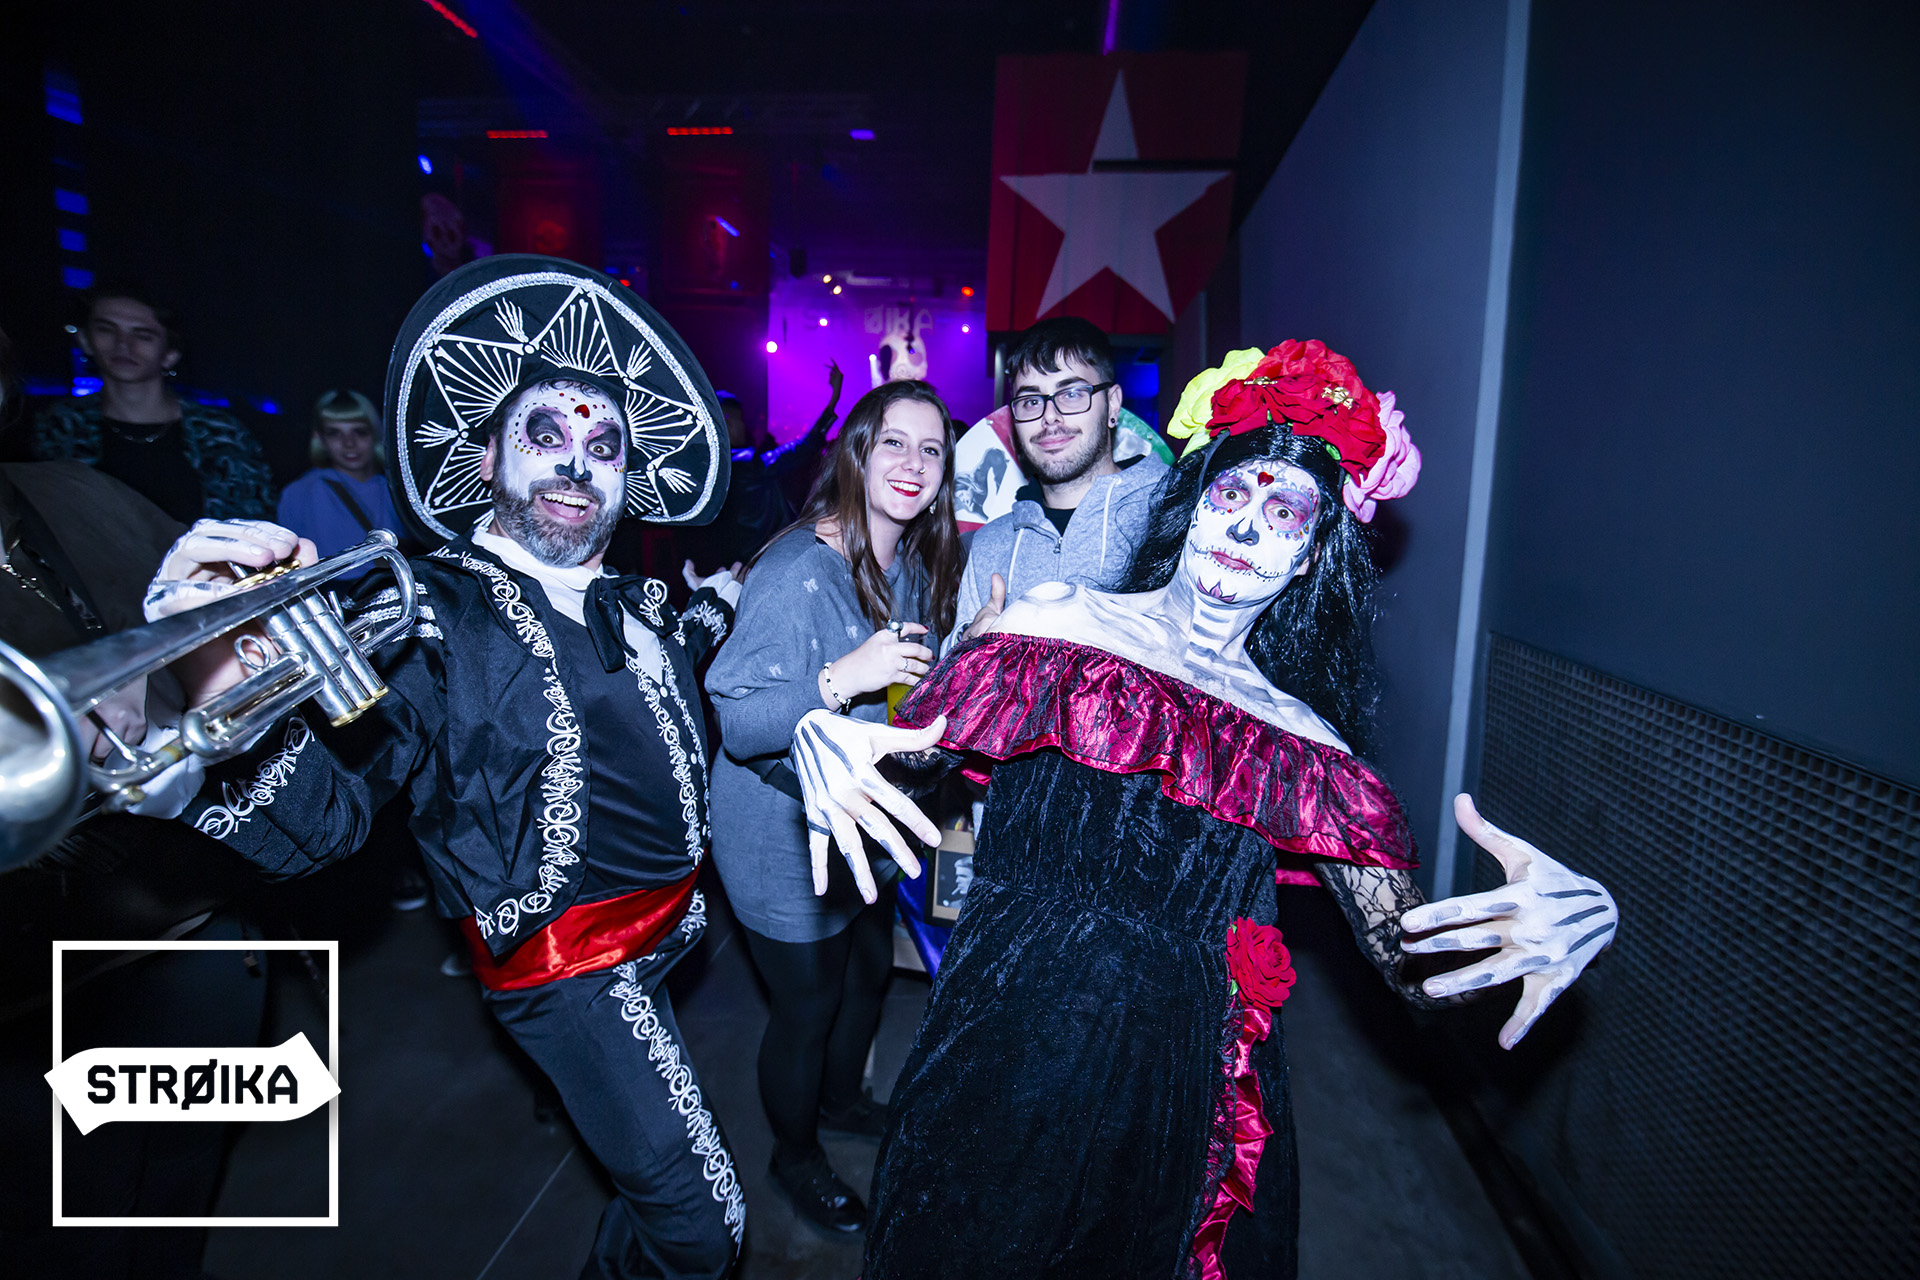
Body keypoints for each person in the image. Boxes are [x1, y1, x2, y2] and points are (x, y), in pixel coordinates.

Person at [790, 340, 1615, 1279]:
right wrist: (830, 731)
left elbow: (1407, 960)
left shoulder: (1304, 748)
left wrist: (1528, 936)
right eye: (1231, 496)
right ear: (1193, 507)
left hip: (1176, 1092)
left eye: (1283, 513)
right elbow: (915, 763)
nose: (1246, 529)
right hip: (1004, 1045)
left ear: (1310, 557)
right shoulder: (1053, 627)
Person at [146, 258, 745, 1280]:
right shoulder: (431, 615)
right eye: (545, 435)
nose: (576, 464)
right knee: (705, 1226)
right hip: (574, 970)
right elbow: (329, 815)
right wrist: (208, 686)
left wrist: (737, 594)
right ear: (486, 456)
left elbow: (677, 641)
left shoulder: (634, 600)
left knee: (647, 1195)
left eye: (604, 447)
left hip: (672, 935)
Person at [0, 325, 267, 1280]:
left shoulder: (78, 490)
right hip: (30, 985)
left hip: (185, 922)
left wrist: (208, 673)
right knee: (62, 1215)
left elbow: (203, 661)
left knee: (179, 1183)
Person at [703, 379, 961, 1233]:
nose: (913, 462)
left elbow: (902, 698)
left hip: (864, 817)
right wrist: (840, 679)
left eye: (931, 448)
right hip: (781, 828)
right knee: (808, 1004)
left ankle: (844, 1101)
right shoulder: (796, 571)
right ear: (857, 452)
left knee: (868, 970)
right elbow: (740, 724)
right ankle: (794, 1154)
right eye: (894, 442)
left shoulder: (910, 562)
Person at [948, 316, 1167, 648]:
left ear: (1112, 404)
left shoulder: (1171, 516)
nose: (1049, 416)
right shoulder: (990, 544)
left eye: (1072, 394)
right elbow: (949, 674)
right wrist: (969, 648)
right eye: (1031, 401)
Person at [26, 287, 272, 523]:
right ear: (85, 339)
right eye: (106, 330)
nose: (123, 345)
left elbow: (254, 522)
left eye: (142, 335)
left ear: (170, 354)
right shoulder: (60, 427)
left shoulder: (221, 434)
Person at [692, 363, 846, 573]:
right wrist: (834, 399)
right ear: (727, 422)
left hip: (736, 562)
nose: (743, 426)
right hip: (759, 561)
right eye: (739, 419)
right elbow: (800, 449)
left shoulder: (708, 467)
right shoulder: (744, 462)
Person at [275, 389, 403, 558]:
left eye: (360, 431)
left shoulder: (400, 491)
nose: (349, 443)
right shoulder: (300, 493)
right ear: (320, 439)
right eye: (334, 433)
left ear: (375, 434)